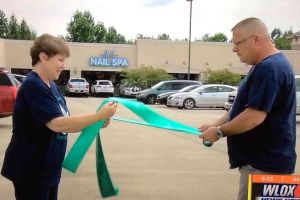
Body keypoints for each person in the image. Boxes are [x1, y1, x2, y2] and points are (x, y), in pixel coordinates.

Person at [1, 34, 118, 200]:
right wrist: (98, 115)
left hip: (49, 168)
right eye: (60, 60)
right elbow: (57, 124)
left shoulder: (52, 87)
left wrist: (97, 122)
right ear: (43, 57)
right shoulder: (32, 86)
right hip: (31, 170)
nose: (63, 66)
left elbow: (67, 124)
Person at [199, 17, 297, 200]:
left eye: (237, 43)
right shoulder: (261, 66)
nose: (234, 49)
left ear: (256, 39)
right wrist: (214, 126)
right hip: (260, 163)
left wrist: (219, 132)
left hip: (266, 166)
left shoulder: (270, 69)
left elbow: (253, 117)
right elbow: (240, 109)